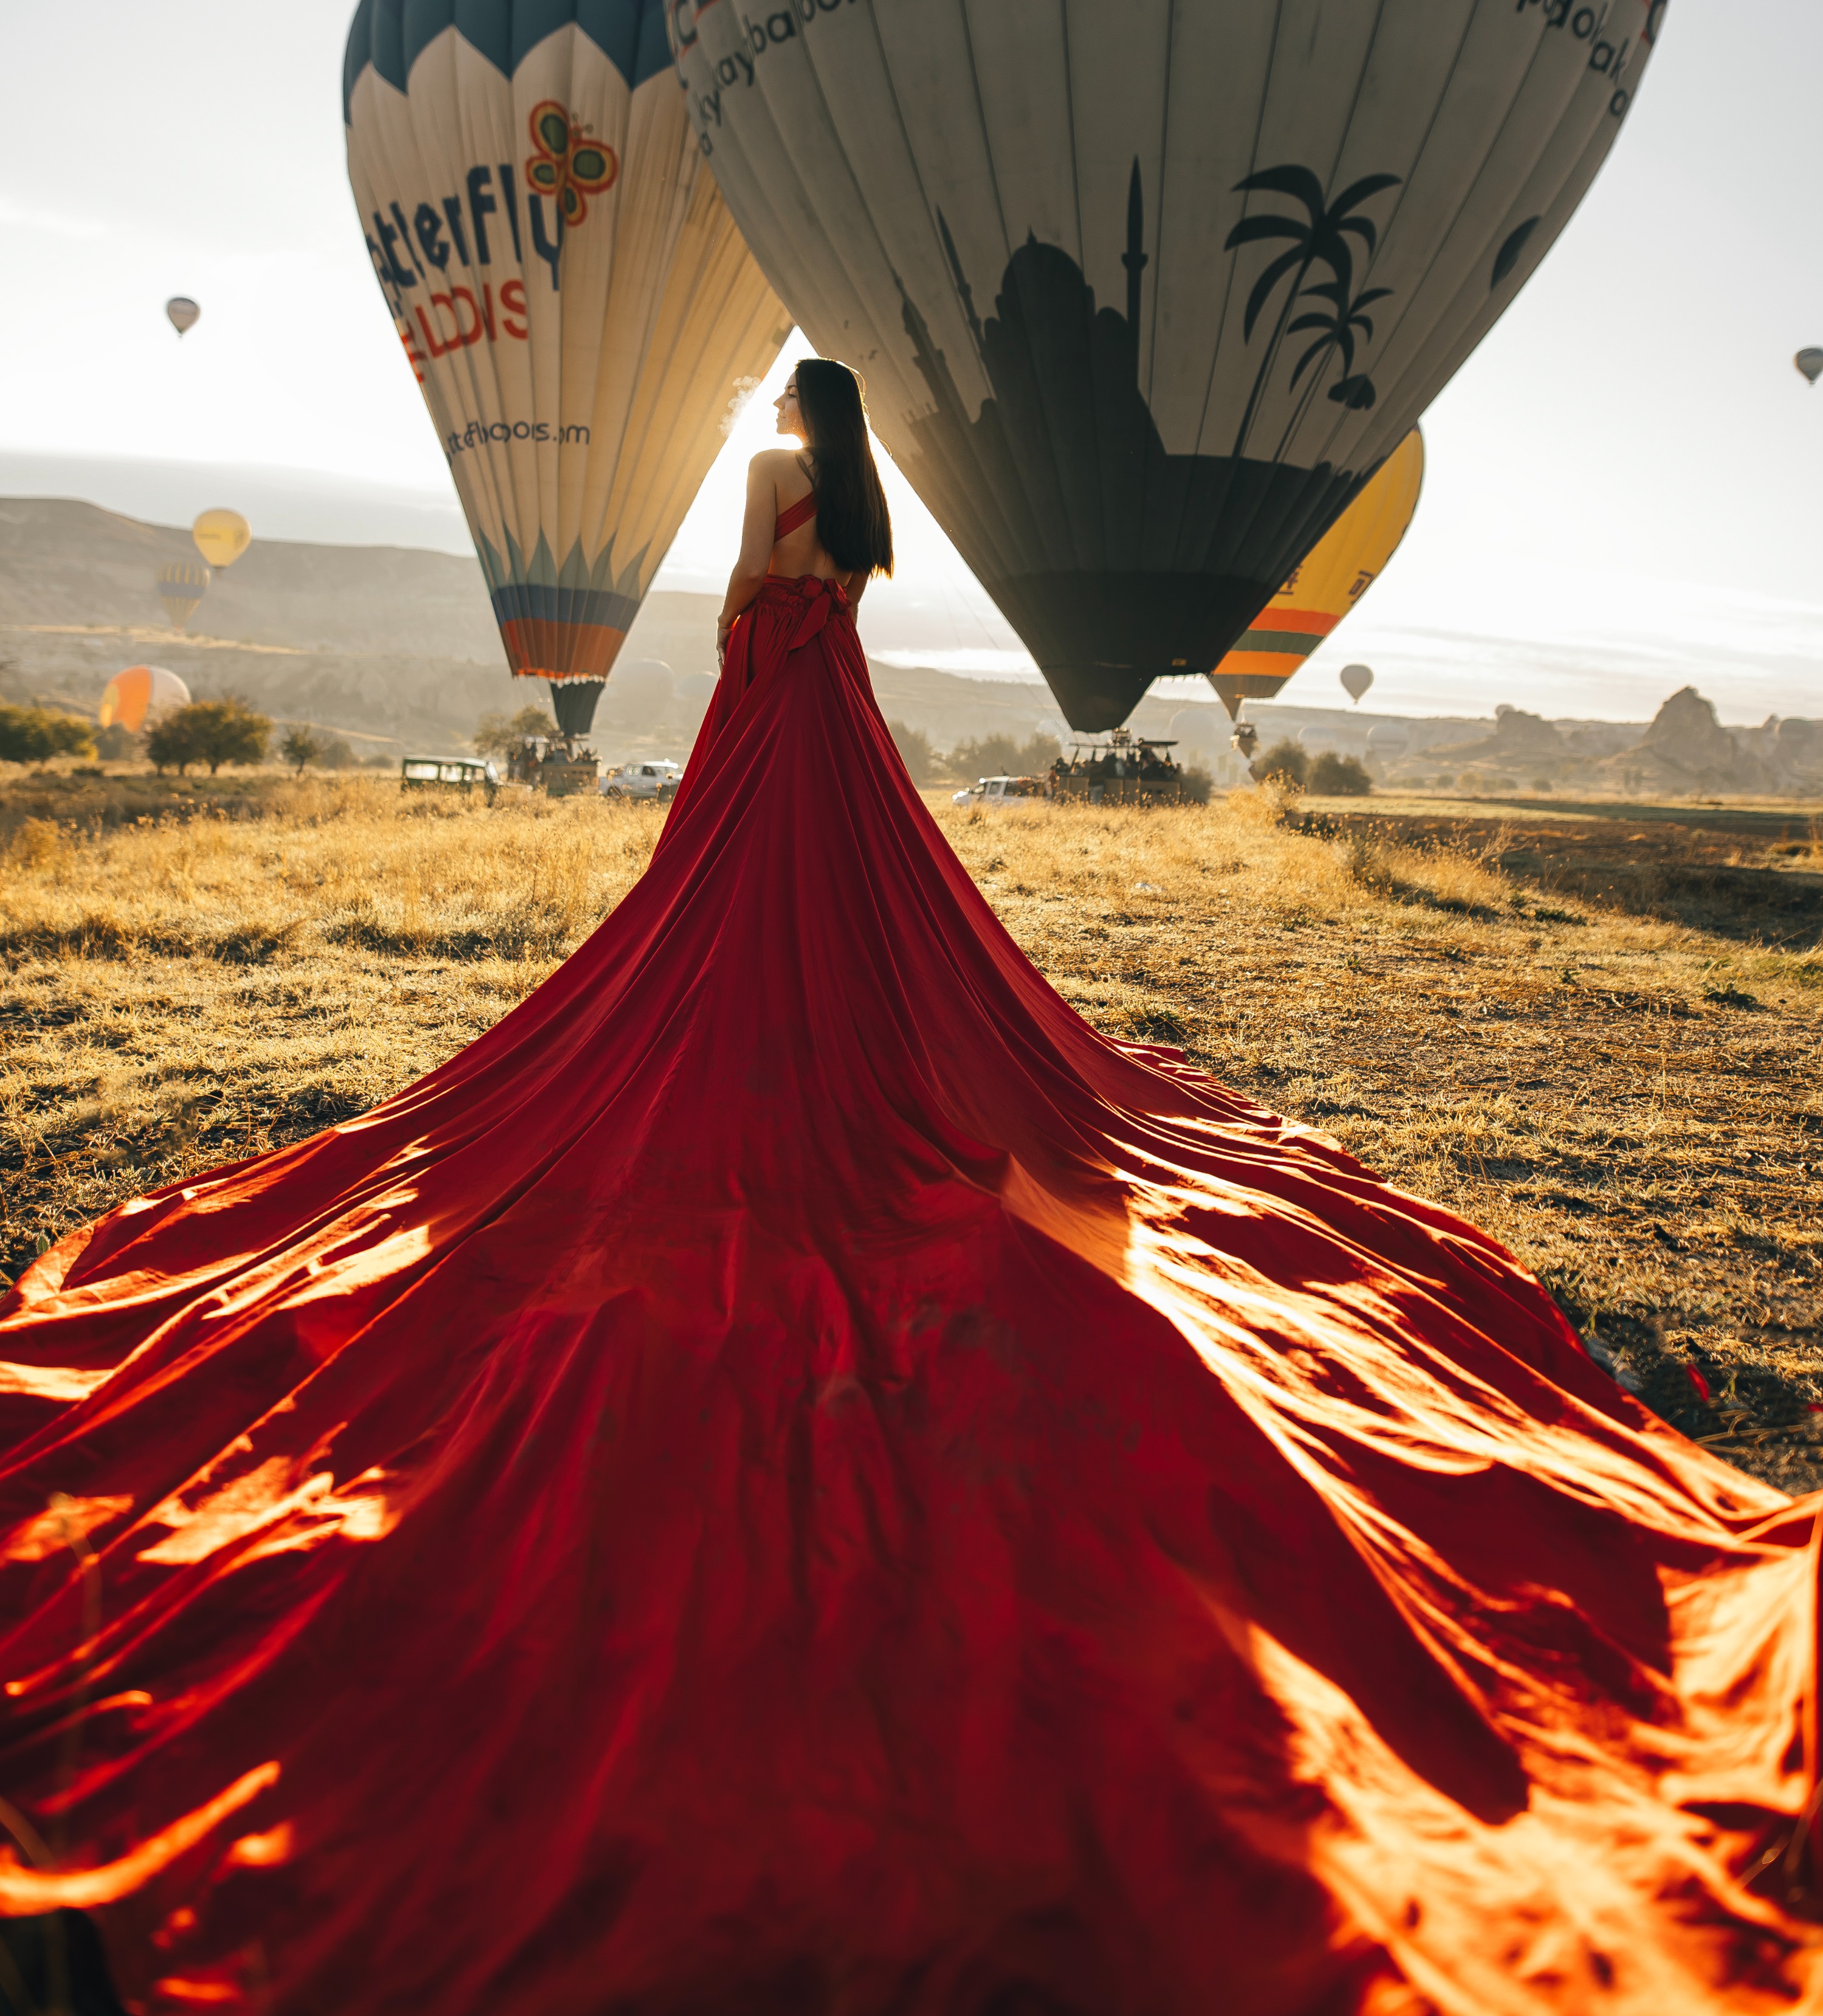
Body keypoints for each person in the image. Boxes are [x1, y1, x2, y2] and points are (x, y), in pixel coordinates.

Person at [0, 357, 1816, 2015]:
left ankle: (768, 1092)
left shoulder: (773, 471)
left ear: (787, 407)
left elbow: (737, 610)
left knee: (710, 942)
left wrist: (727, 689)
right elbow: (827, 612)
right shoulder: (864, 501)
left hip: (766, 730)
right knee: (883, 940)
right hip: (847, 734)